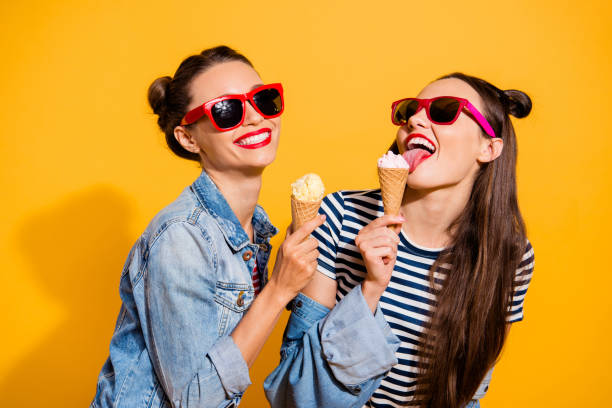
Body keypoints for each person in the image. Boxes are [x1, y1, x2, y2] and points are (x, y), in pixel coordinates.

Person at [264, 73, 535, 408]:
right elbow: (297, 393)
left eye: (445, 111)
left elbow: (468, 389)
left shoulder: (509, 254)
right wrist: (370, 290)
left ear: (489, 148)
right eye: (410, 111)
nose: (415, 120)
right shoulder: (338, 216)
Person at [90, 45, 324, 408]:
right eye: (227, 110)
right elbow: (194, 401)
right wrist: (279, 288)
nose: (254, 118)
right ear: (188, 138)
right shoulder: (182, 236)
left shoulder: (253, 232)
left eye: (263, 99)